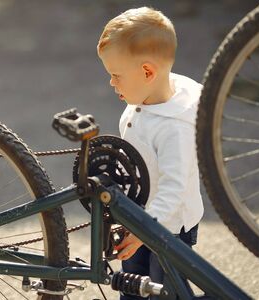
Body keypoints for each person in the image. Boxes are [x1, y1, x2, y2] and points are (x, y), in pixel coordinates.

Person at [97, 7, 204, 299]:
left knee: (164, 290)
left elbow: (174, 190)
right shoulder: (142, 99)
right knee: (131, 284)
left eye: (116, 75)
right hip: (138, 218)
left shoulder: (174, 128)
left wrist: (143, 231)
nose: (111, 82)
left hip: (169, 230)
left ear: (147, 72)